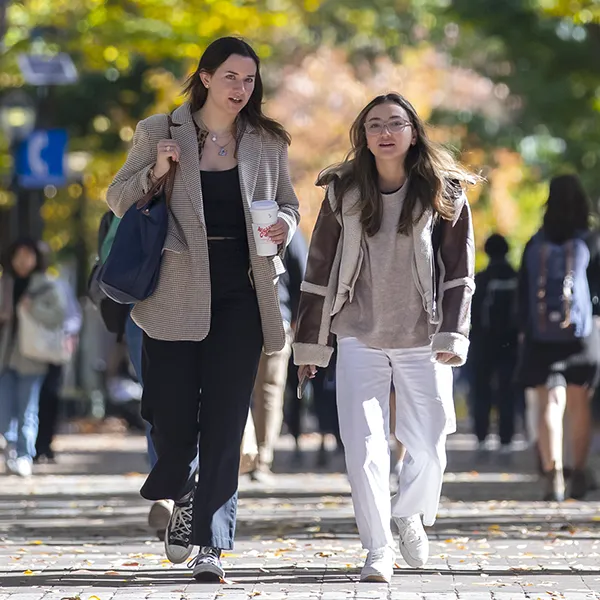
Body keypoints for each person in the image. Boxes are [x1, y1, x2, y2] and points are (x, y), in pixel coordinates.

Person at [106, 36, 299, 581]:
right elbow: (118, 198)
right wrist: (154, 173)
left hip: (242, 290)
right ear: (206, 77)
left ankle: (212, 543)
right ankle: (183, 487)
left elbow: (288, 201)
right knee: (168, 414)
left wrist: (287, 224)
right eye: (232, 77)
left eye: (250, 79)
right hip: (174, 291)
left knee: (224, 418)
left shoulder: (266, 140)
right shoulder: (161, 132)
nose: (242, 89)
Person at [294, 92, 476, 583]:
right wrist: (310, 346)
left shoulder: (444, 190)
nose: (385, 132)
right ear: (364, 136)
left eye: (396, 123)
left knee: (432, 441)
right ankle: (377, 549)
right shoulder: (342, 191)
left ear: (413, 132)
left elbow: (460, 273)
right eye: (375, 124)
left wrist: (452, 333)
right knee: (365, 445)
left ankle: (407, 511)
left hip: (424, 335)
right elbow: (319, 271)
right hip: (358, 335)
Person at [517, 174, 600, 501]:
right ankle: (578, 474)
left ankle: (553, 478)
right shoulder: (592, 240)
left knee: (550, 403)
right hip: (584, 334)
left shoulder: (535, 242)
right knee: (580, 405)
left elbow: (524, 292)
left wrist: (524, 329)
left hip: (541, 335)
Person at [0, 238, 66, 477]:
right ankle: (9, 454)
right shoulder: (5, 283)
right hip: (5, 357)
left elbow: (58, 316)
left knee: (27, 409)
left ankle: (25, 455)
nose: (23, 261)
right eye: (19, 255)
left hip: (33, 358)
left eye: (28, 255)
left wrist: (32, 308)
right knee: (4, 411)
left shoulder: (47, 285)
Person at [250, 230, 307, 482]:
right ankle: (261, 458)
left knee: (238, 389)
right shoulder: (288, 230)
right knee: (270, 392)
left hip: (242, 318)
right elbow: (303, 277)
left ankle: (245, 455)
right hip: (279, 318)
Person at [468, 233, 519, 456]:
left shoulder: (482, 279)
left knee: (481, 390)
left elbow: (472, 314)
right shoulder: (516, 277)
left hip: (483, 342)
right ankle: (506, 439)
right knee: (507, 390)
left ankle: (481, 437)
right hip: (511, 343)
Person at [34, 241, 82, 463]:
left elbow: (73, 316)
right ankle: (31, 444)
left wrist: (64, 335)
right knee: (29, 398)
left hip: (53, 350)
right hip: (25, 352)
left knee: (50, 397)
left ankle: (45, 443)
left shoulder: (57, 285)